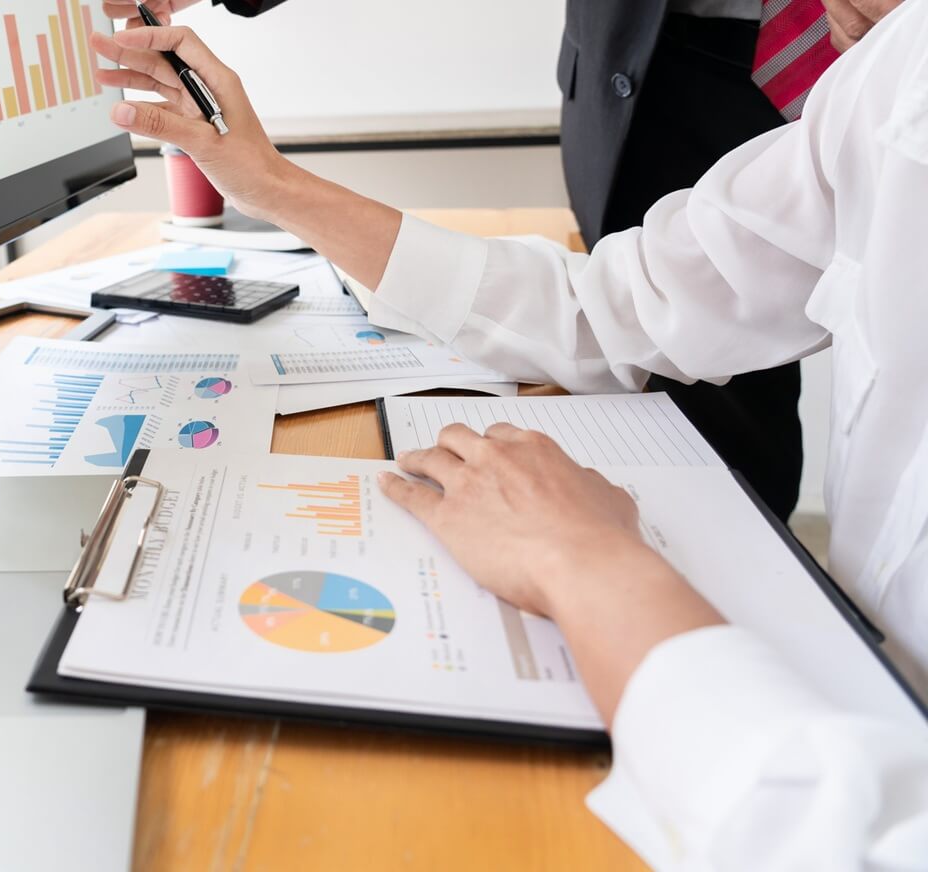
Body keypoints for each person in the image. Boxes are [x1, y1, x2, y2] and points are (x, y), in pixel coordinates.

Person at [89, 1, 928, 868]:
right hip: (858, 662)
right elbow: (614, 310)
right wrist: (269, 183)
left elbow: (840, 835)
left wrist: (584, 559)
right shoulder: (894, 69)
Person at [103, 0, 882, 522]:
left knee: (733, 452)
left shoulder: (877, 93)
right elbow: (614, 315)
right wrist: (273, 186)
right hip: (660, 83)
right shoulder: (872, 109)